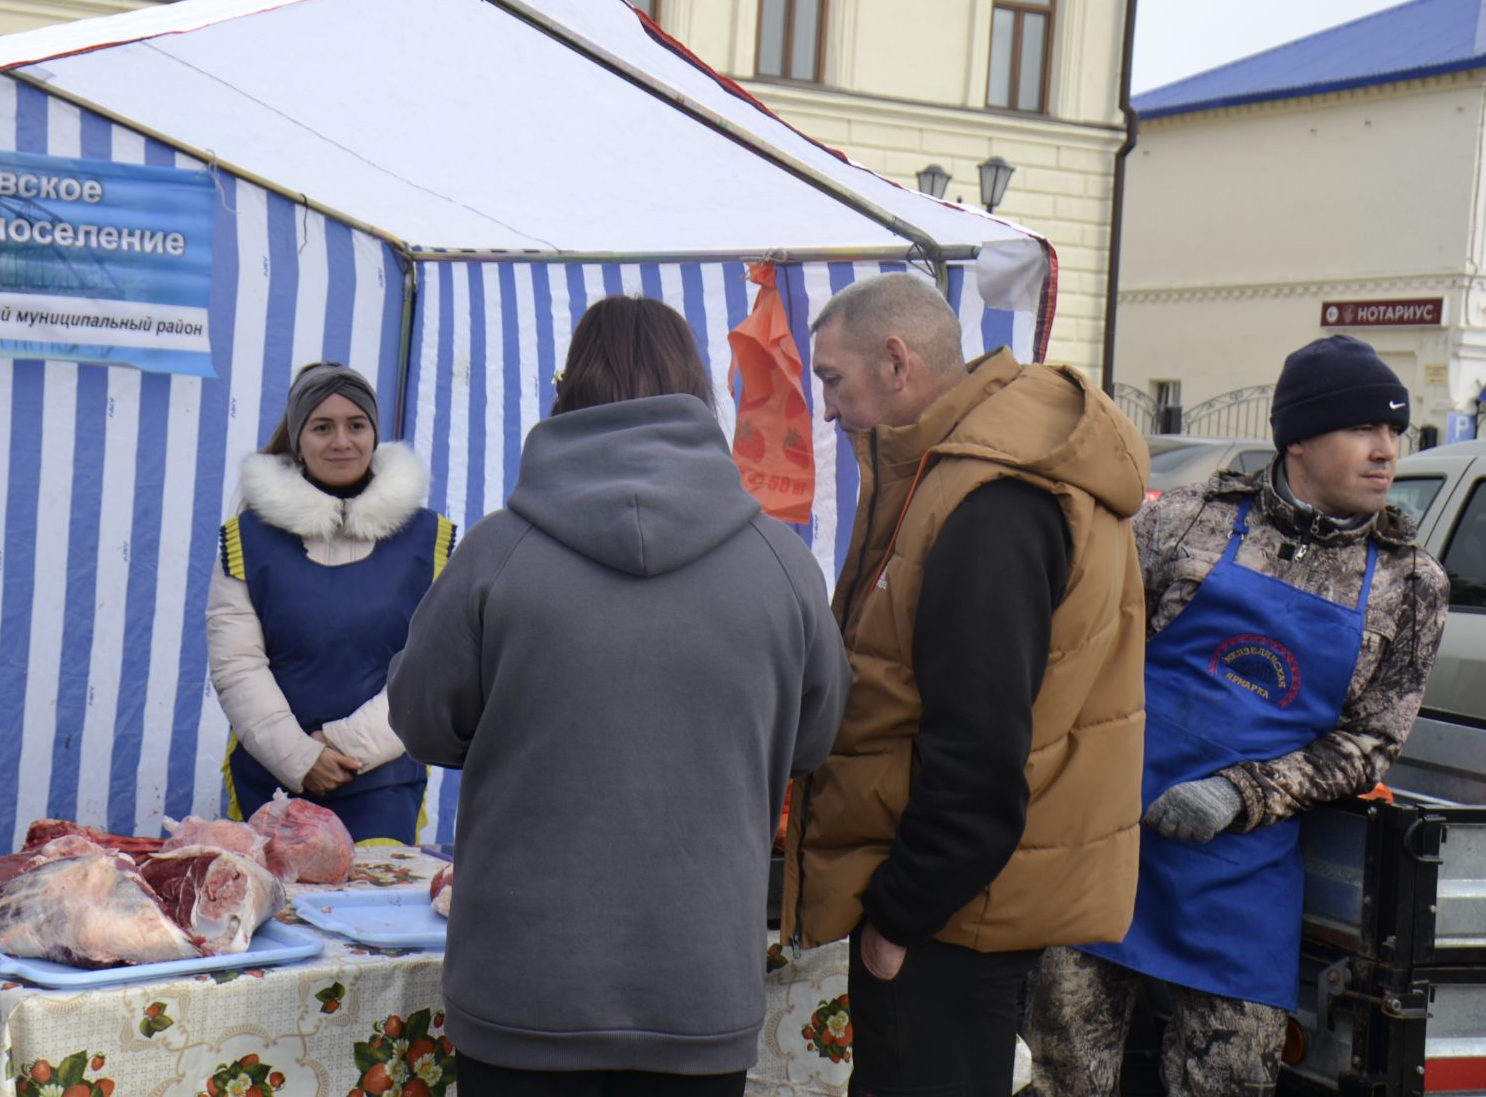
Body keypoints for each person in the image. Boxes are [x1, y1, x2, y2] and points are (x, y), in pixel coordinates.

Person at [387, 295, 848, 1097]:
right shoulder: (780, 563)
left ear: (569, 392)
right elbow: (812, 740)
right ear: (699, 392)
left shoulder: (499, 552)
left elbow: (423, 720)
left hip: (524, 985)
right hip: (696, 986)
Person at [1027, 334, 1448, 1097]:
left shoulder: (1411, 583)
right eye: (1363, 429)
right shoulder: (1182, 524)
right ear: (1297, 439)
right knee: (1061, 1079)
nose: (1387, 450)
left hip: (1242, 881)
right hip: (1108, 851)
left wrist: (1240, 793)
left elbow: (1370, 743)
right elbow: (1084, 657)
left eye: (1395, 430)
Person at [782, 272, 1150, 1096]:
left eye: (834, 381)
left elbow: (979, 746)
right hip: (964, 906)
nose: (829, 408)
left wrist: (899, 918)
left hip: (952, 918)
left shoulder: (993, 497)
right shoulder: (972, 473)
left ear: (896, 360)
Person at [207, 361, 453, 843]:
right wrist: (300, 757)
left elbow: (437, 667)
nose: (342, 441)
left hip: (381, 782)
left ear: (374, 434)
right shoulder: (246, 540)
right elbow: (237, 665)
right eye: (322, 427)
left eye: (356, 425)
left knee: (377, 914)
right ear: (299, 440)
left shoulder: (430, 541)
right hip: (273, 782)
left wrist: (343, 746)